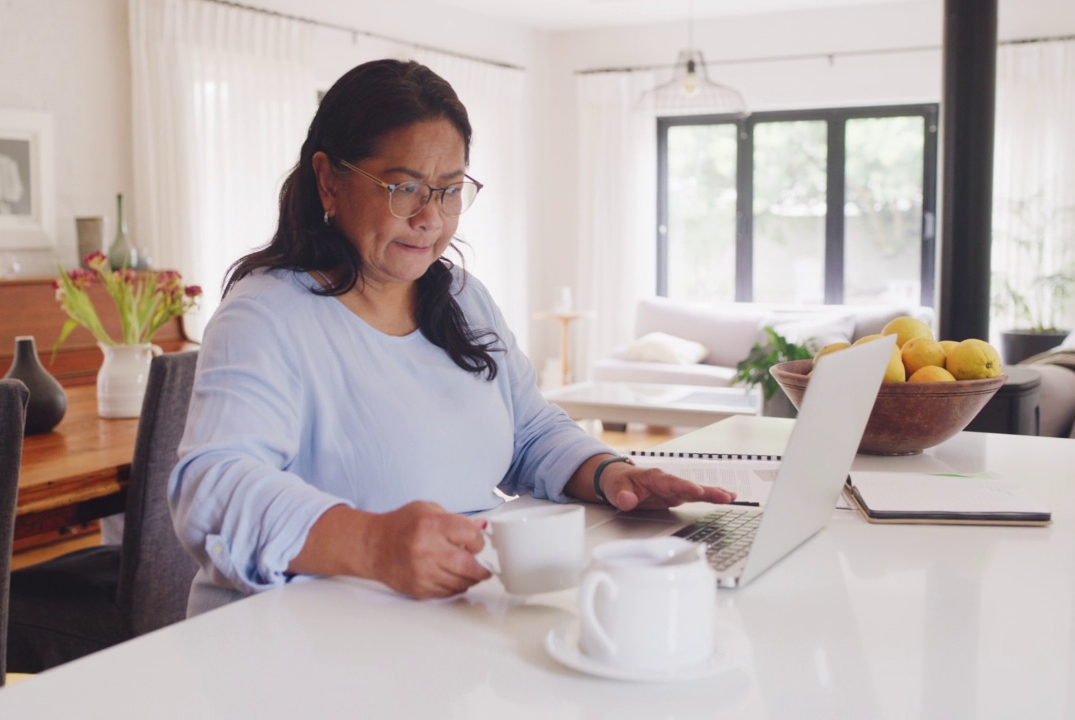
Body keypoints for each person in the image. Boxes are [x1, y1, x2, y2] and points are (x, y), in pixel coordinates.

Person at [170, 59, 736, 614]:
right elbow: (212, 487)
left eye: (449, 189)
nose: (431, 218)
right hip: (305, 634)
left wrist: (615, 476)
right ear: (328, 180)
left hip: (447, 616)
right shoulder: (266, 315)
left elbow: (531, 431)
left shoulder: (463, 298)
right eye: (404, 187)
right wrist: (372, 544)